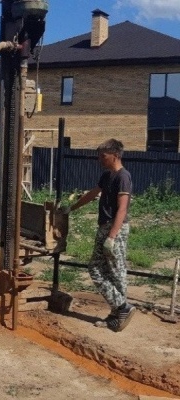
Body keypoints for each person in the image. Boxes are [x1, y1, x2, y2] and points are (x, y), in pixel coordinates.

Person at [63, 139, 135, 332]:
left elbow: (122, 209)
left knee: (114, 270)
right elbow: (92, 194)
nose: (99, 160)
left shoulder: (123, 177)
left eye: (103, 156)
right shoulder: (107, 175)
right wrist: (72, 208)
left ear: (115, 155)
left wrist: (112, 236)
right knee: (99, 268)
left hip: (115, 228)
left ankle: (121, 308)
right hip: (104, 226)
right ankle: (118, 311)